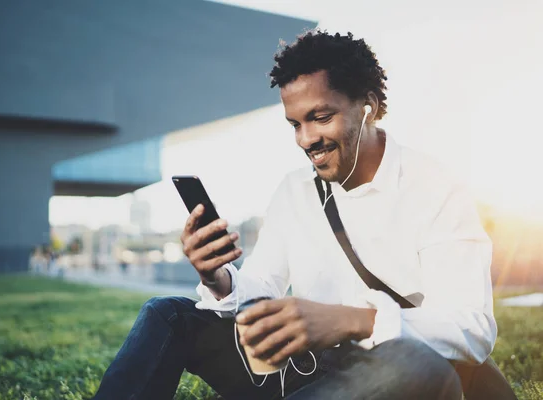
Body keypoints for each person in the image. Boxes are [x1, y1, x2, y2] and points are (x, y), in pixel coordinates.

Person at [93, 30, 496, 400]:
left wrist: (352, 321)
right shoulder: (295, 190)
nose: (306, 140)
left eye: (321, 118)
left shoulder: (434, 186)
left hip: (380, 369)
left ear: (368, 107)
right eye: (295, 124)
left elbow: (472, 329)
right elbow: (261, 288)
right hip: (296, 369)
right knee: (166, 313)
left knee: (416, 365)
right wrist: (216, 278)